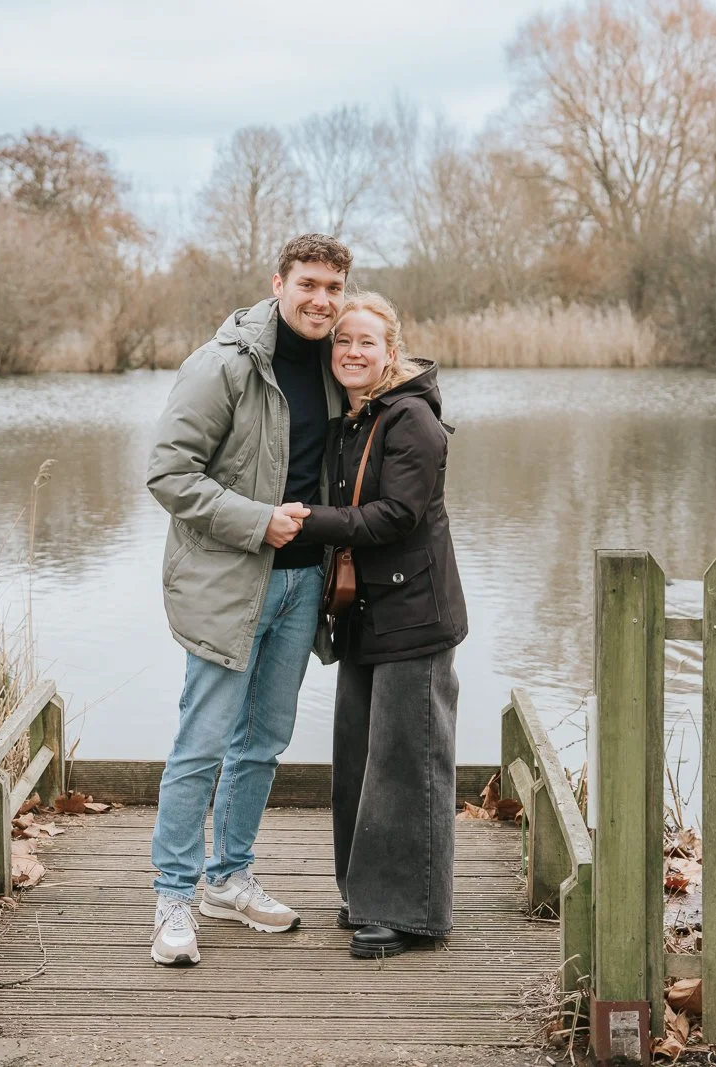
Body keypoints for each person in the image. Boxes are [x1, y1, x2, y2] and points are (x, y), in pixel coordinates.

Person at [144, 233, 353, 966]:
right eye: (308, 284)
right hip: (231, 581)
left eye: (333, 286)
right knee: (201, 744)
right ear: (279, 283)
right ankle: (173, 896)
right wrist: (255, 520)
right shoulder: (223, 365)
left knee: (262, 742)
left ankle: (228, 878)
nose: (321, 299)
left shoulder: (336, 367)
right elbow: (169, 474)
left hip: (301, 585)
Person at [289, 291, 468, 958]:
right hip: (366, 614)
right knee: (361, 760)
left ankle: (413, 915)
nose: (352, 351)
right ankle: (368, 895)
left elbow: (397, 515)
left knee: (410, 765)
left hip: (416, 616)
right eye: (342, 341)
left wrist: (306, 520)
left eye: (366, 341)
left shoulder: (412, 419)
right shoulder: (357, 419)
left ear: (391, 352)